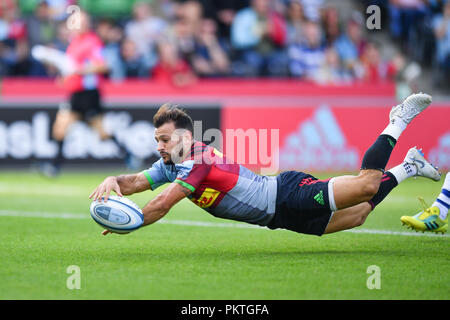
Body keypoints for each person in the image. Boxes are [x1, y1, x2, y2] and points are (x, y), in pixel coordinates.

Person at [90, 93, 441, 237]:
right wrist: (112, 181)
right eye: (157, 141)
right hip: (278, 218)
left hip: (285, 194)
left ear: (184, 137)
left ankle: (398, 121)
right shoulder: (171, 164)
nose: (159, 146)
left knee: (366, 185)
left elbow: (162, 205)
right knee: (360, 213)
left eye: (164, 140)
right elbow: (135, 182)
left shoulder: (197, 160)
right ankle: (408, 167)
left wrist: (130, 223)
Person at [39, 11, 135, 176]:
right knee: (60, 127)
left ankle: (128, 156)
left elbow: (103, 66)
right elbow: (69, 68)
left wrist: (80, 70)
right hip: (75, 94)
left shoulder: (92, 42)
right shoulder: (74, 43)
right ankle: (55, 166)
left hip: (89, 94)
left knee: (102, 131)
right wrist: (65, 78)